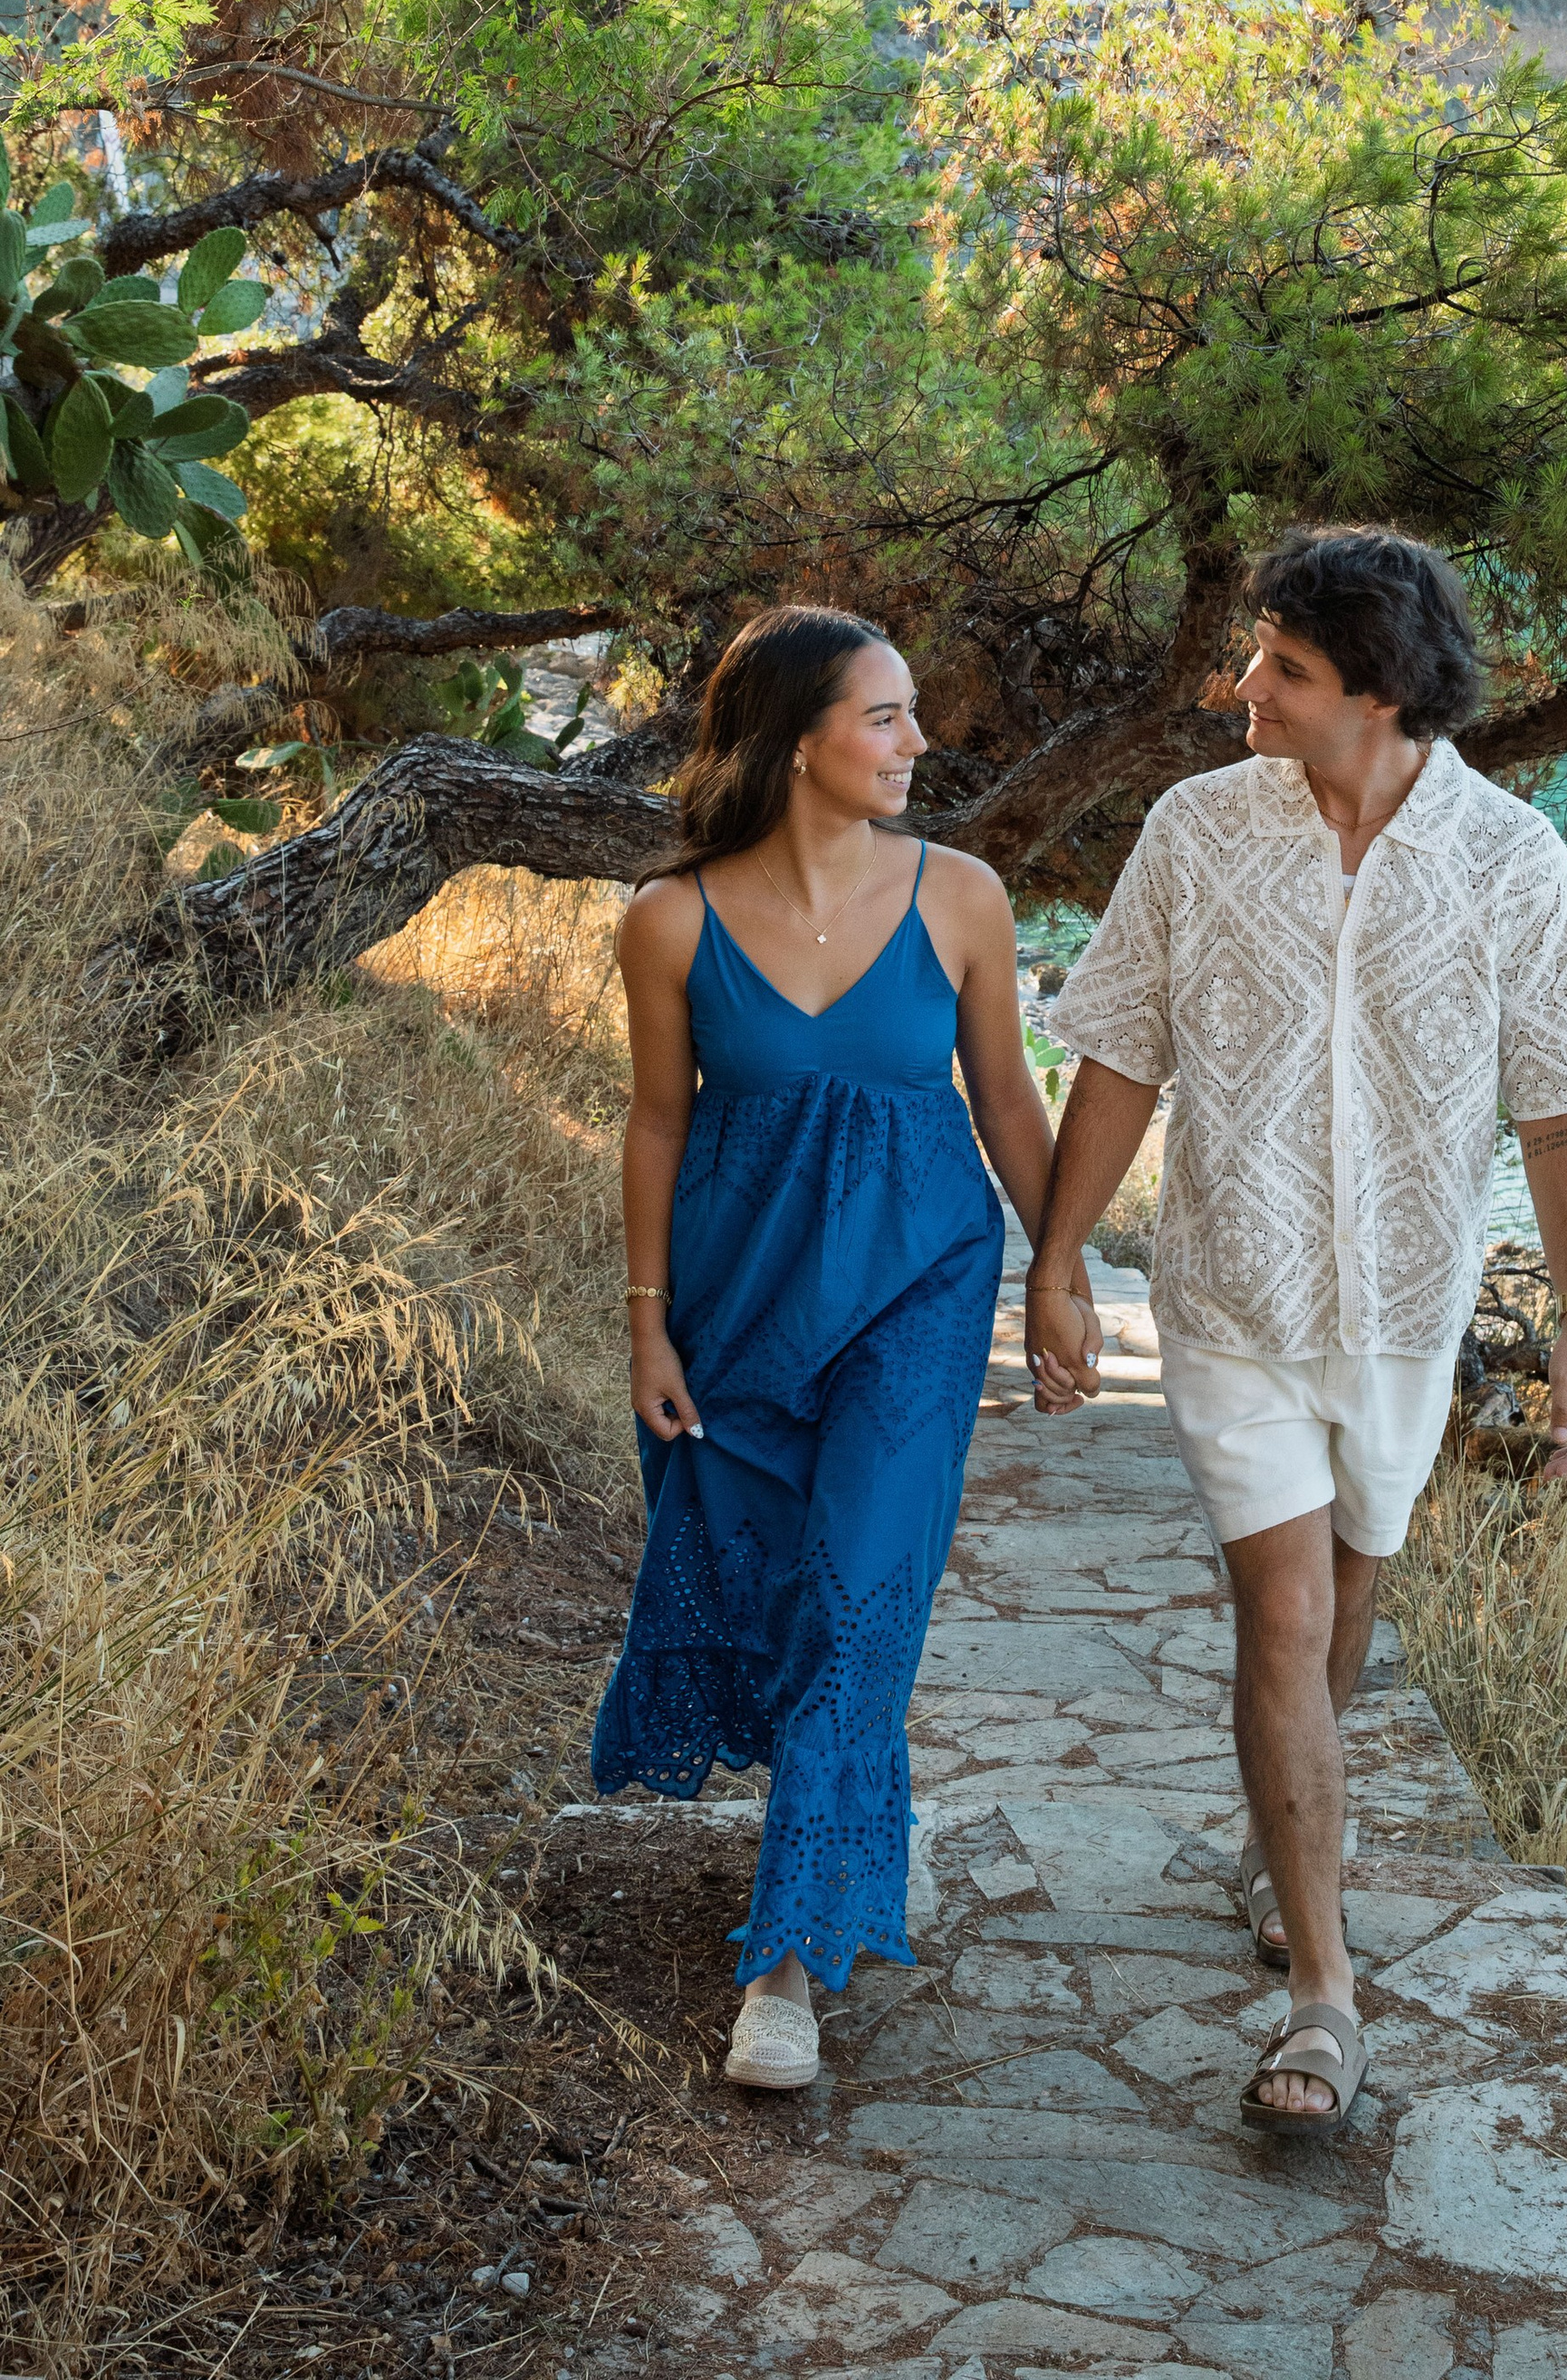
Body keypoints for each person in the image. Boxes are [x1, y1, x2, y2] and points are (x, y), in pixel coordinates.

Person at [1024, 526, 1567, 2141]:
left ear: (1381, 693)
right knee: (1282, 1616)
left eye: (1284, 670)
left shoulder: (1512, 860)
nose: (1246, 690)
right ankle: (1323, 1992)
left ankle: (1279, 1837)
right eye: (1256, 657)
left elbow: (1560, 1114)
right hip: (1233, 1296)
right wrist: (1063, 1258)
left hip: (1409, 1314)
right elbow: (1121, 1058)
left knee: (1348, 1612)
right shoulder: (1195, 831)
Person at [591, 603, 1064, 2093]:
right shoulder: (670, 920)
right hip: (738, 1306)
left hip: (918, 1292)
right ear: (800, 740)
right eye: (886, 718)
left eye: (911, 717)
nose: (918, 743)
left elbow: (1006, 1102)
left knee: (864, 1597)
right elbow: (659, 1121)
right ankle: (828, 1831)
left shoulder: (963, 899)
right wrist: (646, 1323)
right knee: (779, 1588)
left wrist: (1059, 1273)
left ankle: (787, 1960)